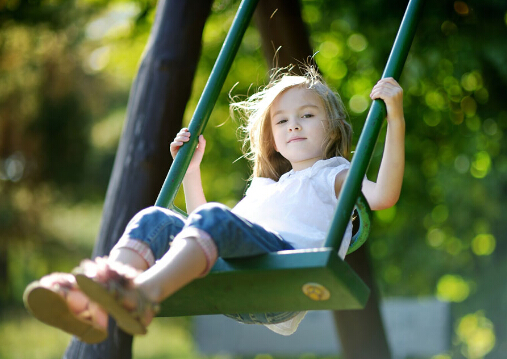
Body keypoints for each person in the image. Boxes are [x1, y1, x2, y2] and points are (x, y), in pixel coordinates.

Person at [23, 67, 405, 343]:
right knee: (156, 218)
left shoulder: (335, 174)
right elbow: (206, 234)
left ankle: (142, 295)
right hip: (236, 285)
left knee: (213, 219)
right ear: (272, 137)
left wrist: (395, 116)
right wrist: (191, 172)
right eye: (282, 120)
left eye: (307, 115)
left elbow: (384, 196)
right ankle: (104, 292)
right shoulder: (266, 188)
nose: (294, 125)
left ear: (333, 128)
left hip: (284, 281)